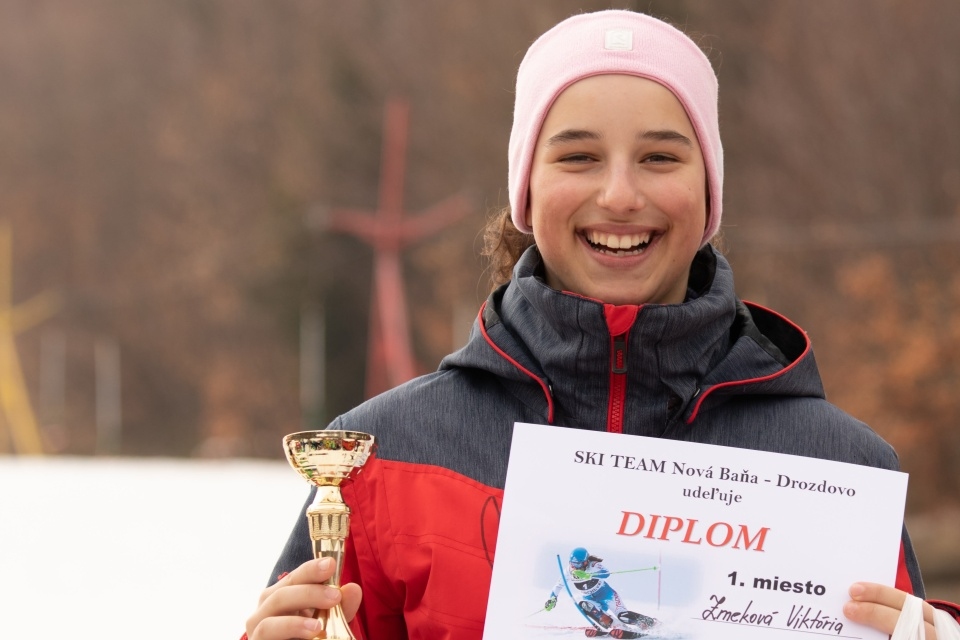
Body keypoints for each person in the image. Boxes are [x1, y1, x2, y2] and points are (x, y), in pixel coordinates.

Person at [244, 10, 960, 640]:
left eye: (660, 157)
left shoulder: (840, 474)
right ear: (527, 189)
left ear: (708, 191)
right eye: (579, 157)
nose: (620, 195)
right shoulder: (382, 458)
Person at [544, 547, 656, 639]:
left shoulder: (593, 565)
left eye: (578, 564)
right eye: (573, 564)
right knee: (584, 605)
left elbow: (606, 573)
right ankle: (619, 628)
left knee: (623, 616)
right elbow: (558, 586)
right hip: (590, 599)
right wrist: (552, 599)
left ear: (586, 561)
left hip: (607, 595)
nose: (575, 567)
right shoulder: (568, 571)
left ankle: (651, 624)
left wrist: (590, 575)